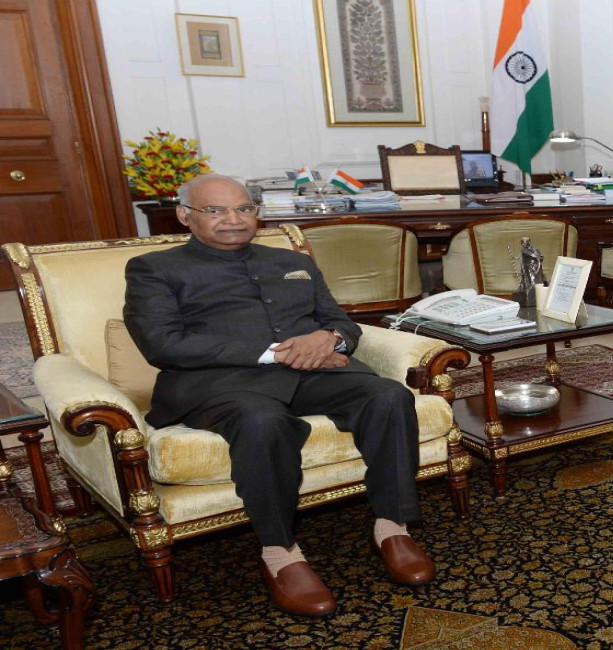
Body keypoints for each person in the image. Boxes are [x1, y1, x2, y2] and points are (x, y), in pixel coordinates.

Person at [123, 174, 434, 618]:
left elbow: (340, 322)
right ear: (184, 216)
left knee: (386, 395)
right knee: (263, 423)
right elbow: (162, 344)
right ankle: (280, 553)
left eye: (243, 209)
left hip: (315, 372)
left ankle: (392, 527)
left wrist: (329, 339)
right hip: (222, 383)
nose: (233, 219)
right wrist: (278, 353)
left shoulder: (292, 260)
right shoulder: (154, 269)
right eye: (215, 211)